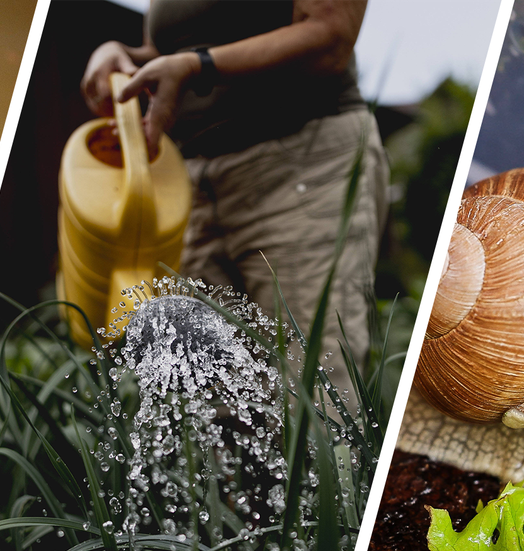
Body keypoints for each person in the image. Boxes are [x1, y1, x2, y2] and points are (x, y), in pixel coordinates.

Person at [81, 0, 389, 409]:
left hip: (299, 164)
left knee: (314, 394)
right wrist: (119, 55)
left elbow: (329, 37)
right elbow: (177, 48)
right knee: (209, 408)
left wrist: (198, 65)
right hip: (194, 183)